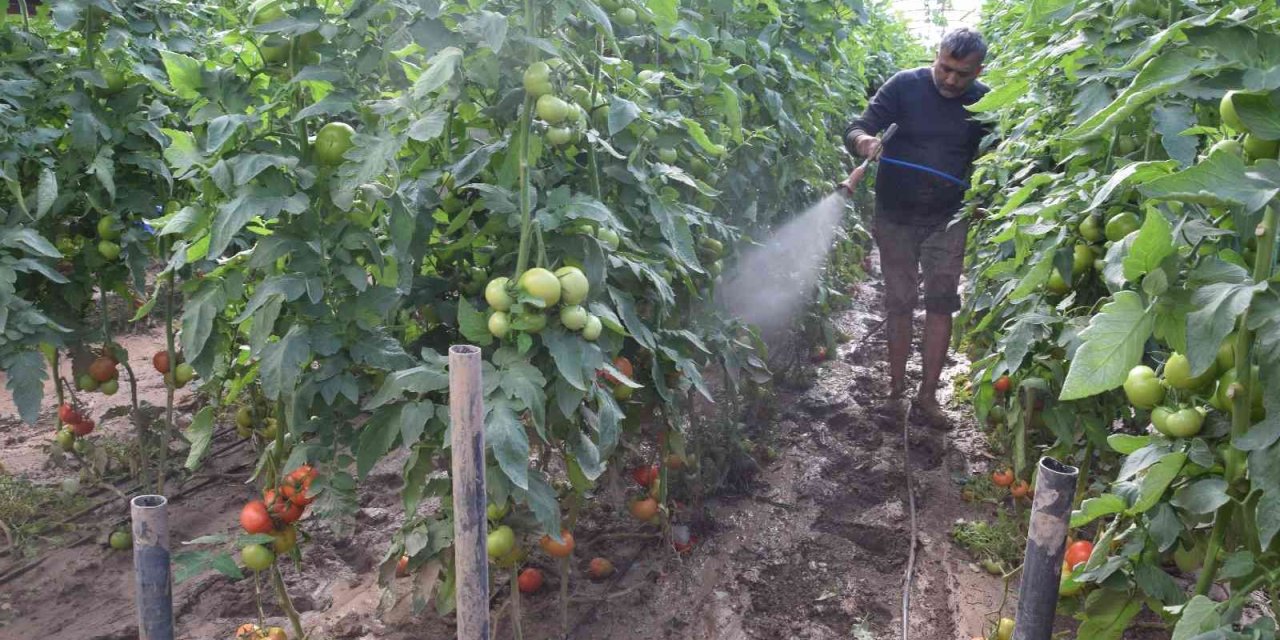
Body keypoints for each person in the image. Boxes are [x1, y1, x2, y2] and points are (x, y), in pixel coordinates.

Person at [843, 27, 991, 425]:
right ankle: (894, 391)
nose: (950, 80)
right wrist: (864, 143)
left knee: (941, 305)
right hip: (895, 215)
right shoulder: (904, 86)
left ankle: (927, 398)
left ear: (979, 70)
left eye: (963, 74)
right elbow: (856, 126)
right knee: (899, 302)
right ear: (936, 56)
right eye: (944, 68)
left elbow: (996, 157)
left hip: (948, 218)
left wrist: (985, 194)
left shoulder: (985, 103)